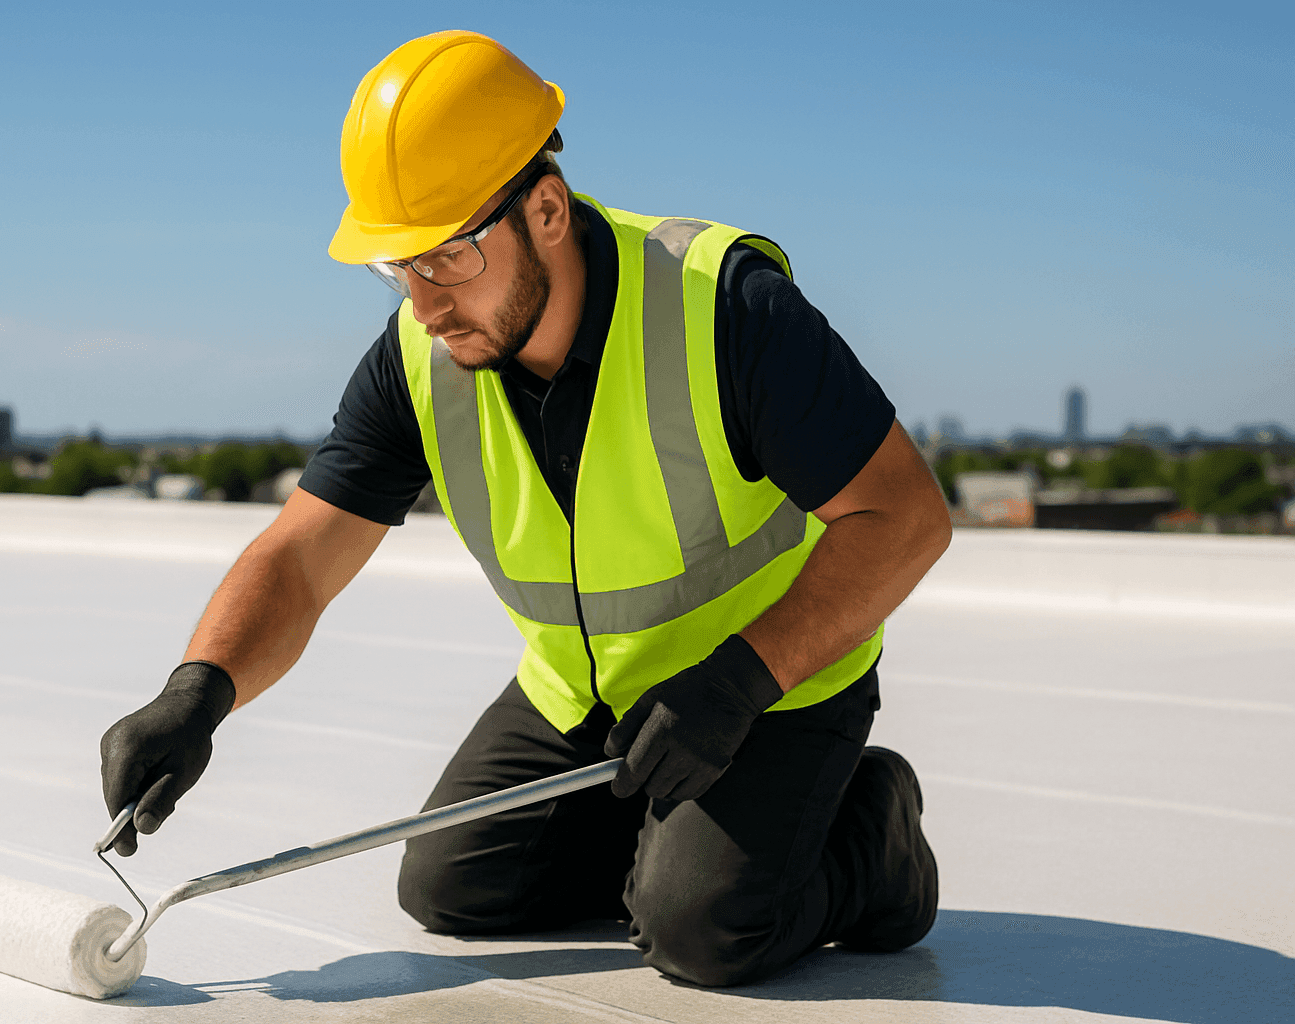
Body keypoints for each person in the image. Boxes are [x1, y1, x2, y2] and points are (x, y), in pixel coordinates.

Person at [101, 30, 951, 988]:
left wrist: (740, 681)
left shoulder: (725, 311)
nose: (423, 305)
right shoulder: (421, 357)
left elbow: (905, 517)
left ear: (545, 208)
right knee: (454, 890)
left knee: (702, 933)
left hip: (768, 688)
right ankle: (674, 841)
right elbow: (303, 552)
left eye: (448, 256)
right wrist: (199, 691)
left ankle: (868, 839)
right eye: (398, 267)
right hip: (584, 694)